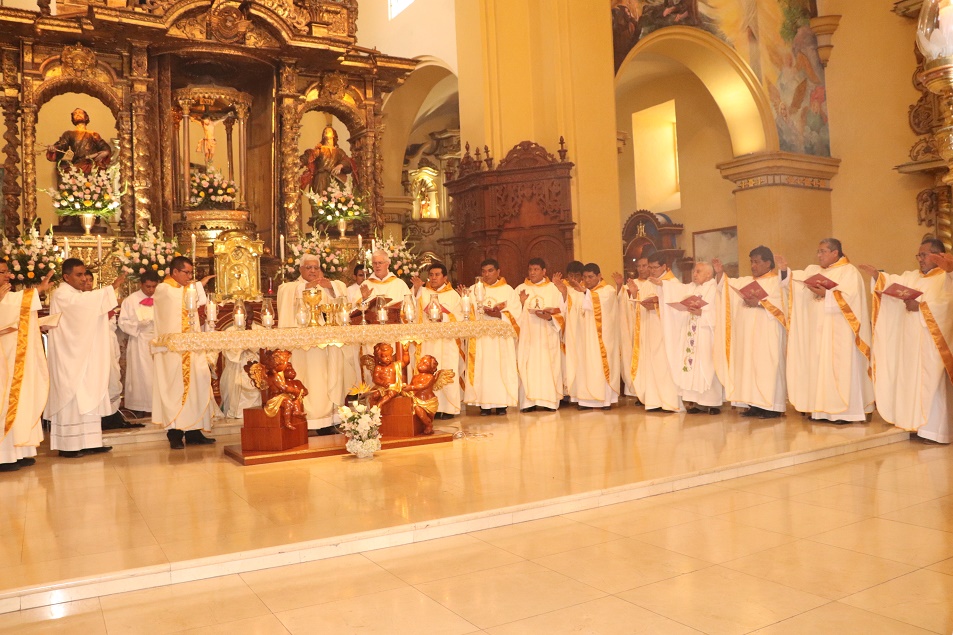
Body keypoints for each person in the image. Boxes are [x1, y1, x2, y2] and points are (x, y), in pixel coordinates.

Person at [859, 238, 952, 443]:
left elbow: (947, 304)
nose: (919, 259)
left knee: (931, 384)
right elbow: (894, 284)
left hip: (932, 342)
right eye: (918, 255)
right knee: (910, 381)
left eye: (924, 255)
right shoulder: (913, 276)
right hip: (910, 340)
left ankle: (935, 432)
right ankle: (915, 426)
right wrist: (877, 276)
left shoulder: (945, 278)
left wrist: (921, 307)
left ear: (937, 256)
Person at [785, 238, 874, 422]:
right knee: (819, 367)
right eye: (818, 251)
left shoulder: (849, 272)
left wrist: (826, 294)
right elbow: (795, 284)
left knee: (839, 370)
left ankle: (845, 413)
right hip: (818, 331)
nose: (819, 255)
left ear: (835, 253)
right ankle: (822, 411)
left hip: (840, 333)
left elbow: (851, 300)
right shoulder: (814, 271)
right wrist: (783, 271)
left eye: (823, 251)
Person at [45, 259, 124, 457]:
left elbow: (89, 311)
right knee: (73, 397)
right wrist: (110, 288)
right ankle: (69, 446)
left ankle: (90, 441)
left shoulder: (78, 295)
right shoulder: (62, 294)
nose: (83, 279)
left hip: (82, 354)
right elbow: (82, 307)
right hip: (69, 357)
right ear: (66, 277)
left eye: (84, 275)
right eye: (78, 275)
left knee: (89, 392)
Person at [276, 254, 355, 433]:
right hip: (303, 349)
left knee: (327, 379)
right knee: (308, 380)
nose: (312, 271)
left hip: (325, 345)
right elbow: (284, 294)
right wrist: (305, 287)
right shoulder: (290, 287)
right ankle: (307, 421)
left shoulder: (325, 286)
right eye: (308, 268)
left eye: (315, 268)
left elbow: (341, 300)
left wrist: (332, 287)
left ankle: (327, 421)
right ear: (300, 270)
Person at [713, 246, 788, 419]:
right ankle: (753, 405)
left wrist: (762, 303)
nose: (753, 266)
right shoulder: (744, 281)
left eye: (757, 262)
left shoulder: (776, 282)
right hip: (746, 337)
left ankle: (771, 407)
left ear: (768, 263)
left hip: (767, 334)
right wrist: (719, 274)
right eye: (751, 262)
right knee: (748, 367)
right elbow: (724, 289)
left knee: (766, 367)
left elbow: (784, 302)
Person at [152, 256, 218, 449]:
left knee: (198, 384)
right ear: (174, 272)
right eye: (186, 272)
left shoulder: (184, 289)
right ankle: (174, 433)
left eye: (191, 273)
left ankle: (194, 431)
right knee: (175, 390)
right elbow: (176, 301)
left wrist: (197, 286)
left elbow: (193, 302)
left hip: (192, 347)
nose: (189, 276)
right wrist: (198, 285)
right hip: (173, 352)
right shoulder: (164, 289)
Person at [0, 266, 52, 471]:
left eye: (8, 272)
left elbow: (20, 304)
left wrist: (39, 289)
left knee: (20, 400)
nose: (9, 275)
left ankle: (20, 451)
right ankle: (3, 456)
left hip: (15, 357)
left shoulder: (9, 296)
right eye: (3, 272)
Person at [654, 261, 723, 414]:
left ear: (708, 274)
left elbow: (721, 312)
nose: (694, 274)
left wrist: (702, 314)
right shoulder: (691, 288)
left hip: (707, 334)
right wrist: (662, 284)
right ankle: (697, 402)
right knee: (692, 368)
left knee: (707, 365)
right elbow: (676, 289)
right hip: (692, 334)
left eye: (698, 271)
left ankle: (713, 403)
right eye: (694, 271)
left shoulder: (715, 288)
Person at [556, 262, 620, 410]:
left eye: (591, 277)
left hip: (601, 341)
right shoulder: (579, 292)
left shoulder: (607, 290)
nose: (587, 280)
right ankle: (584, 400)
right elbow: (568, 309)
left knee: (598, 365)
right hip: (583, 339)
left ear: (599, 276)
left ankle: (605, 400)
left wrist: (584, 292)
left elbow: (599, 302)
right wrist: (564, 292)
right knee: (583, 366)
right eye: (584, 277)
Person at [465, 259, 521, 415]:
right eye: (483, 271)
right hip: (481, 338)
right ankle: (484, 405)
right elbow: (466, 313)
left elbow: (517, 314)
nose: (486, 274)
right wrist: (465, 301)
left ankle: (502, 404)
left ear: (498, 272)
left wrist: (500, 314)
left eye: (490, 271)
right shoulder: (474, 289)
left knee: (500, 368)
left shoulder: (509, 290)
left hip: (500, 339)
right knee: (483, 370)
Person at [628, 253, 681, 412]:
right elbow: (641, 303)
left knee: (664, 366)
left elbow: (676, 307)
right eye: (649, 267)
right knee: (651, 365)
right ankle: (654, 401)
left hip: (666, 333)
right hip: (649, 330)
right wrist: (635, 294)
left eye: (654, 267)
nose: (651, 271)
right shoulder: (648, 283)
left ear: (664, 267)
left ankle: (669, 402)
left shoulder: (673, 283)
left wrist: (657, 305)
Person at [411, 262, 464, 419]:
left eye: (437, 275)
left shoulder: (453, 295)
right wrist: (415, 289)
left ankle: (448, 408)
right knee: (427, 373)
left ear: (445, 277)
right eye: (431, 275)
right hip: (428, 341)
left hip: (447, 341)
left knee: (447, 369)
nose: (433, 278)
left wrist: (444, 316)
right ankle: (428, 407)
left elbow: (461, 317)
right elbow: (411, 310)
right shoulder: (422, 291)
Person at [515, 258, 564, 412]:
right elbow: (514, 315)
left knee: (548, 367)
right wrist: (521, 303)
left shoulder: (552, 289)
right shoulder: (521, 288)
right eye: (530, 269)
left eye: (536, 269)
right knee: (528, 366)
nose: (532, 272)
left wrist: (550, 317)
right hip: (528, 337)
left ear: (544, 271)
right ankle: (528, 402)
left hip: (547, 334)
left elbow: (562, 311)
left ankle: (549, 401)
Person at [117, 271, 160, 417]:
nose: (151, 290)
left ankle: (158, 405)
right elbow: (122, 322)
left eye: (154, 287)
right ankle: (140, 406)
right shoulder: (131, 300)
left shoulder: (161, 298)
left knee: (157, 372)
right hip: (139, 340)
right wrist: (138, 325)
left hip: (158, 340)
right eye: (148, 286)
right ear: (141, 284)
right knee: (140, 373)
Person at [617, 256, 650, 401]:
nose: (641, 269)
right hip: (634, 328)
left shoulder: (655, 283)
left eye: (644, 265)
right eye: (639, 266)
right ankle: (636, 392)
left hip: (649, 326)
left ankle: (649, 392)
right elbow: (620, 302)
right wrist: (619, 286)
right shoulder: (631, 284)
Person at [45, 108, 112, 174]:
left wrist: (105, 152)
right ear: (73, 119)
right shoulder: (68, 134)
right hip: (76, 165)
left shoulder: (93, 134)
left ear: (86, 117)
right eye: (75, 113)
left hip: (90, 166)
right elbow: (61, 145)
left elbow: (104, 146)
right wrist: (54, 149)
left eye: (80, 112)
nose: (77, 114)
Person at [299, 125, 357, 196]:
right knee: (319, 199)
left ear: (333, 135)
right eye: (325, 131)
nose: (326, 132)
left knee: (335, 199)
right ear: (323, 135)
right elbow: (308, 157)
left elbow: (347, 161)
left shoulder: (339, 151)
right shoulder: (319, 150)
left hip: (334, 178)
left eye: (329, 131)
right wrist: (298, 163)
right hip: (321, 178)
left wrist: (340, 165)